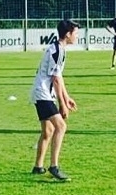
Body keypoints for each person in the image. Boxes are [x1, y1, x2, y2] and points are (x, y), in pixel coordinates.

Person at [30, 19, 80, 181]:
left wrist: (67, 97)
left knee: (48, 131)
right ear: (68, 34)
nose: (77, 36)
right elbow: (55, 79)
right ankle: (54, 166)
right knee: (61, 126)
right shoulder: (57, 51)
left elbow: (58, 77)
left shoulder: (58, 49)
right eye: (75, 33)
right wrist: (62, 104)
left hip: (42, 93)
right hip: (43, 94)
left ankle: (38, 166)